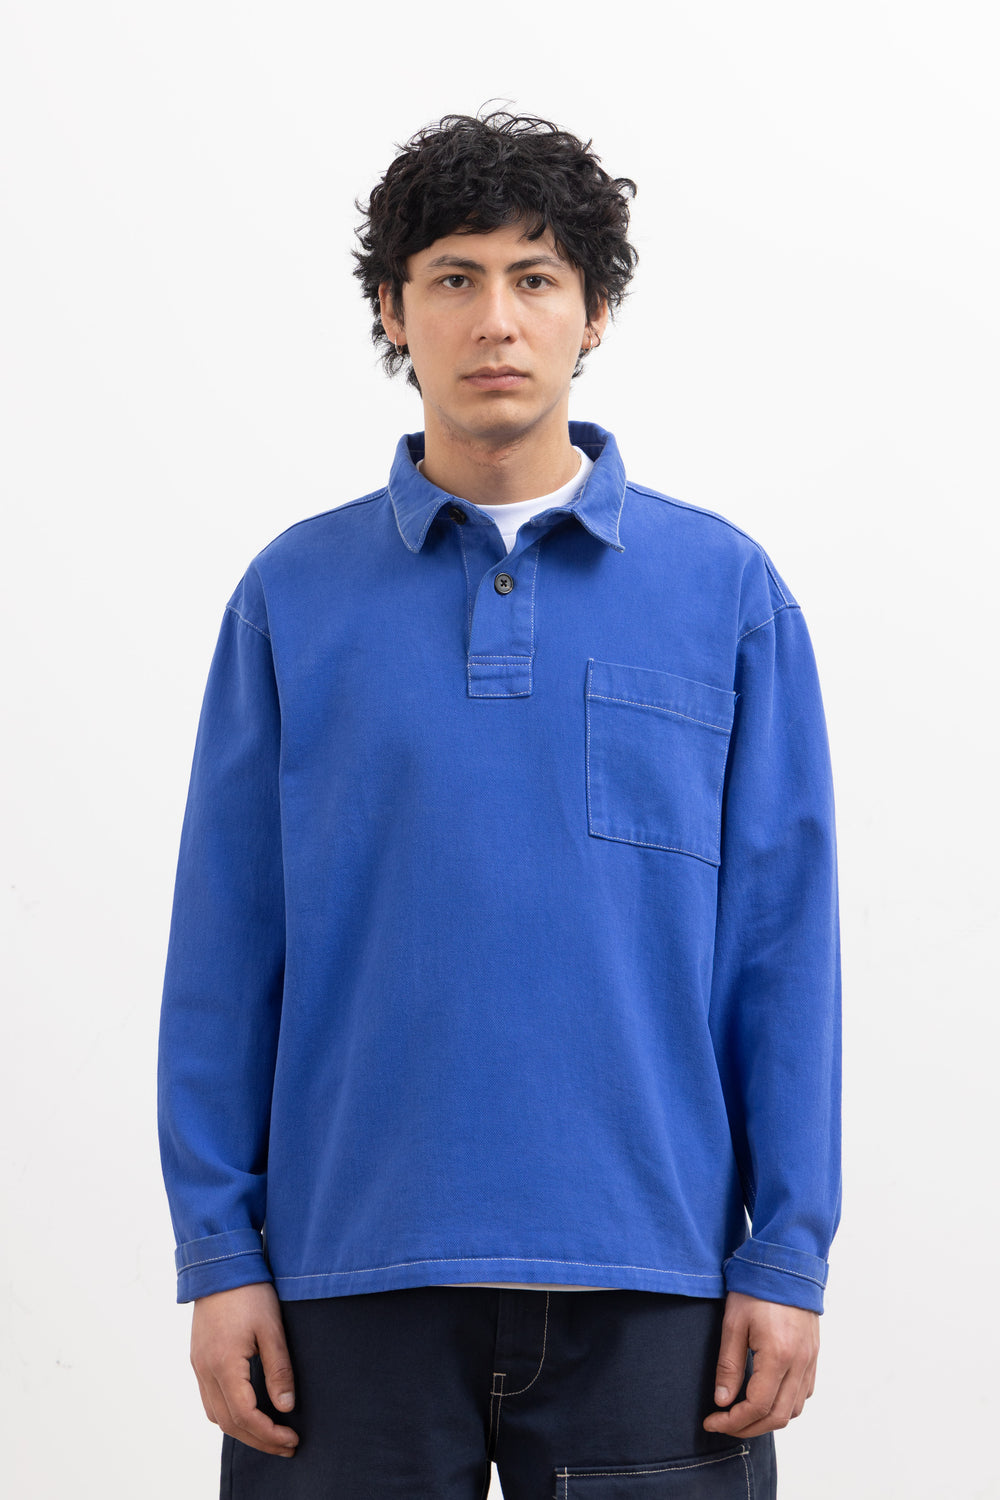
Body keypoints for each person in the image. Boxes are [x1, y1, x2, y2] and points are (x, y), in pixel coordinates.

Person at [157, 110, 841, 1499]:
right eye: (453, 278)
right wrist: (219, 1253)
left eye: (536, 279)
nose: (495, 320)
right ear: (392, 312)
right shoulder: (293, 597)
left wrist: (788, 1252)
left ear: (596, 313)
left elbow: (783, 947)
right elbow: (227, 944)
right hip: (345, 1281)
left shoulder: (725, 594)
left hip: (654, 1281)